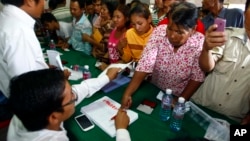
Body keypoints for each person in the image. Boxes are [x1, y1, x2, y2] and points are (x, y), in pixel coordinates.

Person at [121, 2, 205, 109]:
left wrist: (180, 100)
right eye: (169, 29)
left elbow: (197, 77)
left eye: (179, 32)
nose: (173, 36)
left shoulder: (199, 43)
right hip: (155, 89)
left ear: (193, 30)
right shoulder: (159, 32)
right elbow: (145, 64)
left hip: (178, 95)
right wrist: (128, 93)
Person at [7, 68, 121, 141]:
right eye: (71, 95)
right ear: (53, 117)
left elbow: (81, 89)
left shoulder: (25, 109)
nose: (75, 95)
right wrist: (121, 130)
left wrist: (107, 78)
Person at [191, 0, 250, 124]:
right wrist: (206, 49)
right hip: (201, 107)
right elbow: (207, 67)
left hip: (232, 119)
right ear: (245, 13)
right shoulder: (226, 34)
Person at [0, 0, 49, 100]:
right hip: (25, 103)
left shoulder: (5, 18)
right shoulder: (20, 31)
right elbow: (28, 87)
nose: (44, 3)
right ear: (30, 1)